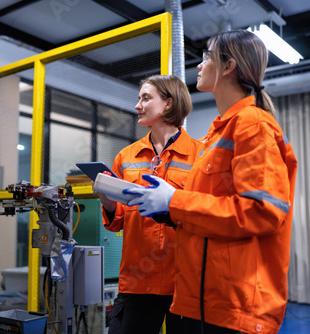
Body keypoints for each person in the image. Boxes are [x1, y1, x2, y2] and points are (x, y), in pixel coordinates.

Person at [124, 30, 298, 334]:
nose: (200, 64)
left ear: (228, 66)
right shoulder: (213, 137)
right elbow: (208, 215)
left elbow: (262, 211)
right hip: (199, 302)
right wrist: (167, 210)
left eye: (207, 56)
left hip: (233, 308)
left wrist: (173, 201)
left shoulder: (252, 125)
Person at [96, 74, 203, 334]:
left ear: (168, 103)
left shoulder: (201, 155)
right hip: (137, 281)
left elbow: (203, 215)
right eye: (138, 98)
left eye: (145, 98)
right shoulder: (127, 156)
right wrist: (108, 202)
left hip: (184, 283)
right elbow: (118, 220)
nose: (137, 105)